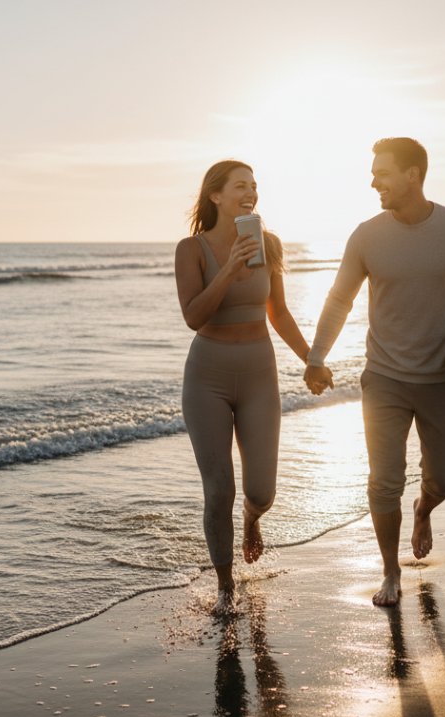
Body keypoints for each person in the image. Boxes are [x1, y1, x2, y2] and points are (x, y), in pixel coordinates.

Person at [303, 138, 445, 607]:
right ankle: (390, 572)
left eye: (383, 172)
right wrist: (317, 356)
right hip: (385, 379)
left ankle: (424, 508)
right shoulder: (366, 235)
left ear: (413, 175)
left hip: (441, 381)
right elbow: (339, 299)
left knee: (444, 480)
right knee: (383, 482)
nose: (374, 181)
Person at [175, 160, 312, 615]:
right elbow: (194, 315)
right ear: (216, 195)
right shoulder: (190, 249)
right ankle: (225, 585)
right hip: (207, 376)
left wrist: (312, 360)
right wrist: (228, 271)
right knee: (218, 491)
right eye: (241, 186)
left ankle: (253, 521)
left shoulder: (268, 245)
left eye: (255, 186)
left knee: (261, 492)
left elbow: (279, 313)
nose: (251, 192)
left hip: (258, 372)